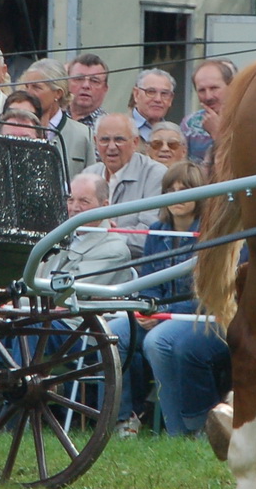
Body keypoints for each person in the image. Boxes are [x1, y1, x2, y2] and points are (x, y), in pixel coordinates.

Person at [109, 161, 204, 436]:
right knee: (112, 333)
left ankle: (177, 429)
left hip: (195, 315)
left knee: (156, 342)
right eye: (170, 189)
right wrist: (149, 308)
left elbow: (206, 296)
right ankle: (123, 420)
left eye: (184, 189)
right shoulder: (155, 232)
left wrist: (163, 312)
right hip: (158, 314)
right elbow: (149, 282)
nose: (177, 196)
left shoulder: (210, 234)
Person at [81, 113, 166, 258]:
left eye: (119, 139)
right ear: (95, 142)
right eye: (104, 140)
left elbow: (148, 236)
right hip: (88, 261)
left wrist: (105, 234)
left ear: (135, 142)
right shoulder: (89, 175)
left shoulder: (155, 175)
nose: (111, 147)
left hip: (133, 268)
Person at [18, 58, 96, 180]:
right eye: (26, 87)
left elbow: (91, 181)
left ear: (58, 93)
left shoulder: (82, 134)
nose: (28, 93)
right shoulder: (15, 128)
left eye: (36, 87)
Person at [182, 59, 234, 165]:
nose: (208, 97)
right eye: (201, 90)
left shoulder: (245, 120)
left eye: (214, 88)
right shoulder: (190, 124)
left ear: (231, 86)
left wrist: (218, 133)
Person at [129, 68, 176, 138]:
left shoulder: (176, 135)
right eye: (151, 92)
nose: (158, 99)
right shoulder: (120, 128)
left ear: (170, 100)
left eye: (164, 93)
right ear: (136, 94)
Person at [66, 53, 109, 129]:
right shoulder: (52, 121)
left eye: (94, 81)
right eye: (79, 79)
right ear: (66, 83)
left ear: (105, 89)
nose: (86, 86)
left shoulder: (109, 127)